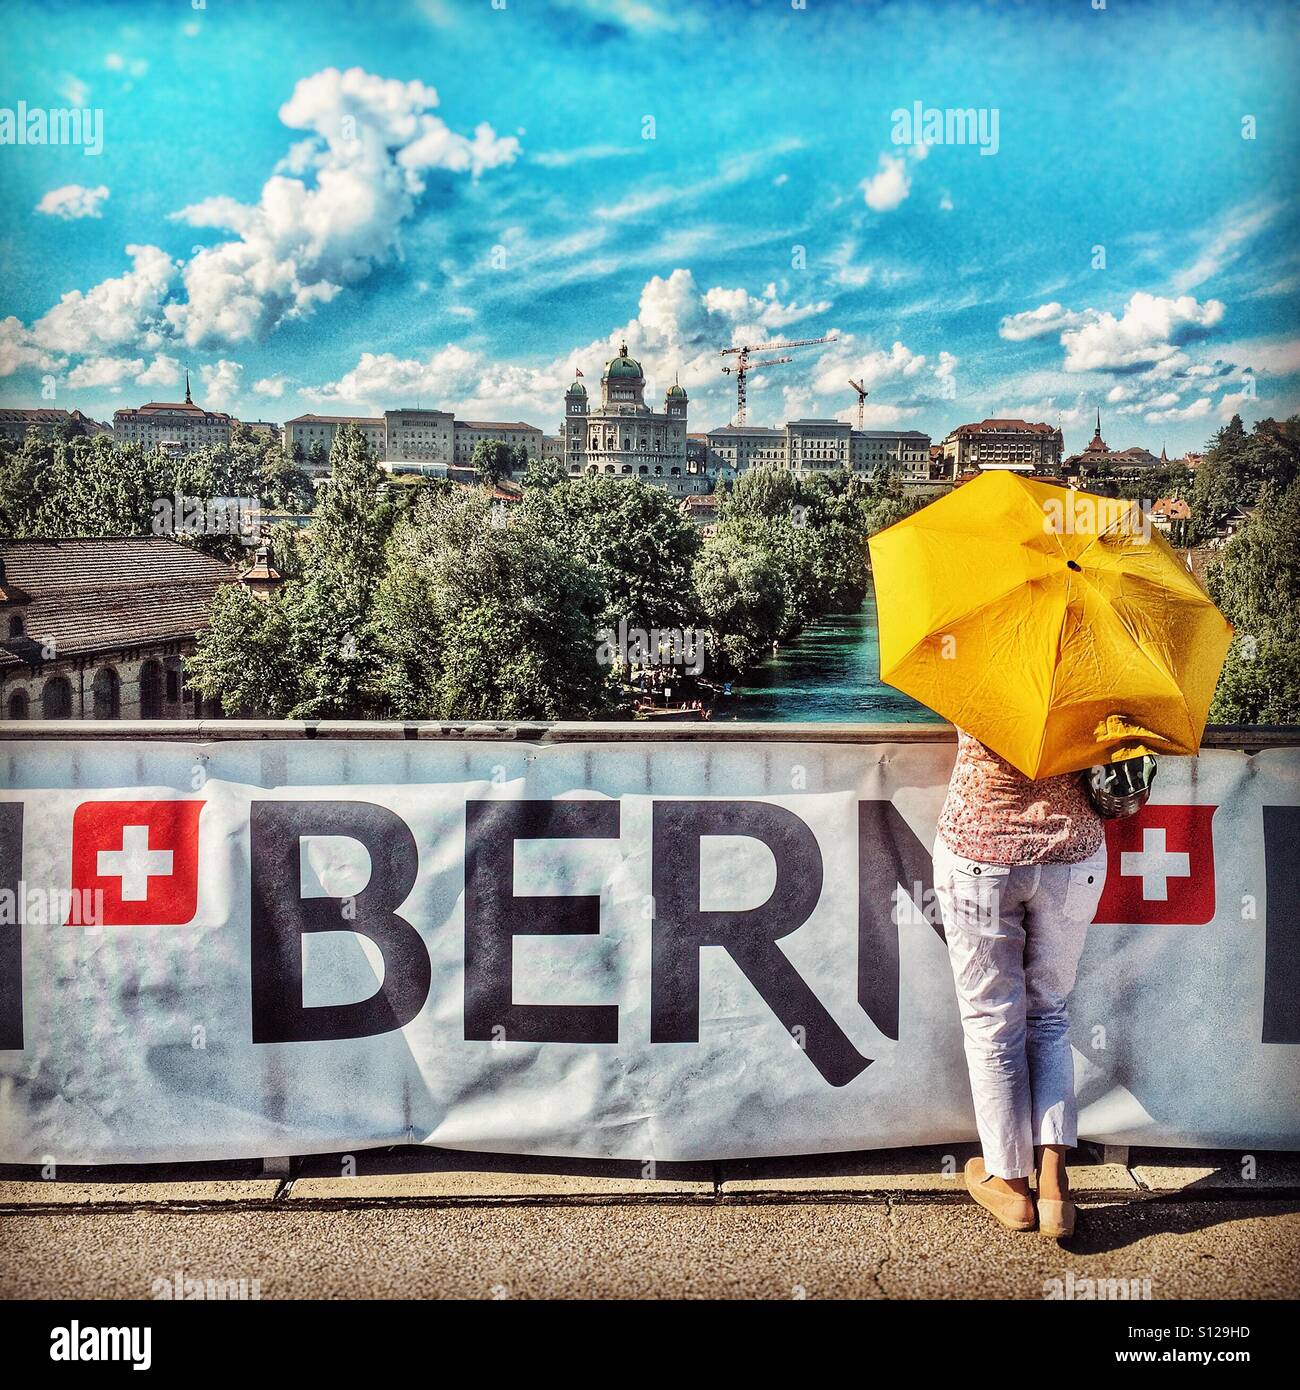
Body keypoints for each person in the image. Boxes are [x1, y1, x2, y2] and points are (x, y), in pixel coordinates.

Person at [932, 728, 1108, 1239]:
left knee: (992, 1021)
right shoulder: (1094, 680)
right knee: (1049, 1013)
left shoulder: (977, 674)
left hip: (981, 851)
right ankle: (1054, 1187)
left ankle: (1011, 1187)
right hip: (1071, 857)